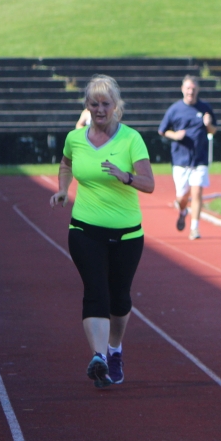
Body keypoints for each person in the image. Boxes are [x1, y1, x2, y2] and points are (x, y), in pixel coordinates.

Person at [50, 75, 155, 389]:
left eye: (105, 104)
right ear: (86, 106)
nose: (99, 109)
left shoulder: (131, 139)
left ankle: (114, 349)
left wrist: (126, 176)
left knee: (119, 298)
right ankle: (98, 357)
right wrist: (63, 189)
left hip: (127, 234)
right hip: (84, 229)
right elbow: (66, 164)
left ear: (116, 106)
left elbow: (149, 184)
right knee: (95, 292)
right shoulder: (75, 138)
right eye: (93, 104)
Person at [158, 75, 218, 240]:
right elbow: (162, 130)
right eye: (188, 88)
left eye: (193, 89)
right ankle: (183, 210)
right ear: (182, 89)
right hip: (180, 159)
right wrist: (175, 135)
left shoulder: (205, 108)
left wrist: (208, 125)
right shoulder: (175, 109)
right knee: (181, 197)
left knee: (197, 192)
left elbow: (214, 130)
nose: (191, 92)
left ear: (197, 90)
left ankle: (194, 228)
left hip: (200, 158)